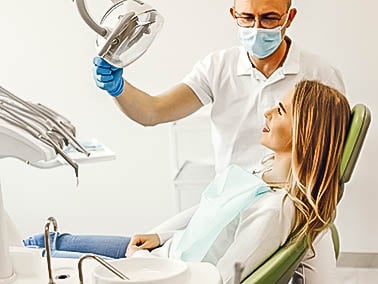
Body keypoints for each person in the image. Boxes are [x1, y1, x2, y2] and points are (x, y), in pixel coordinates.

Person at [24, 80, 351, 284]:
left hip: (164, 272)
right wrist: (159, 236)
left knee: (31, 262)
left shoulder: (275, 209)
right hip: (162, 252)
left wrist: (145, 267)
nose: (267, 113)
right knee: (41, 242)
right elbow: (208, 215)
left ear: (306, 133)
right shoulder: (261, 171)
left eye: (280, 111)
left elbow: (220, 278)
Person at [93, 0, 345, 174]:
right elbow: (154, 112)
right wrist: (118, 87)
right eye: (247, 17)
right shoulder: (218, 67)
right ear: (234, 14)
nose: (256, 28)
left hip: (287, 204)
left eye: (269, 18)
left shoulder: (319, 75)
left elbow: (332, 159)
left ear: (288, 18)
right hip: (229, 202)